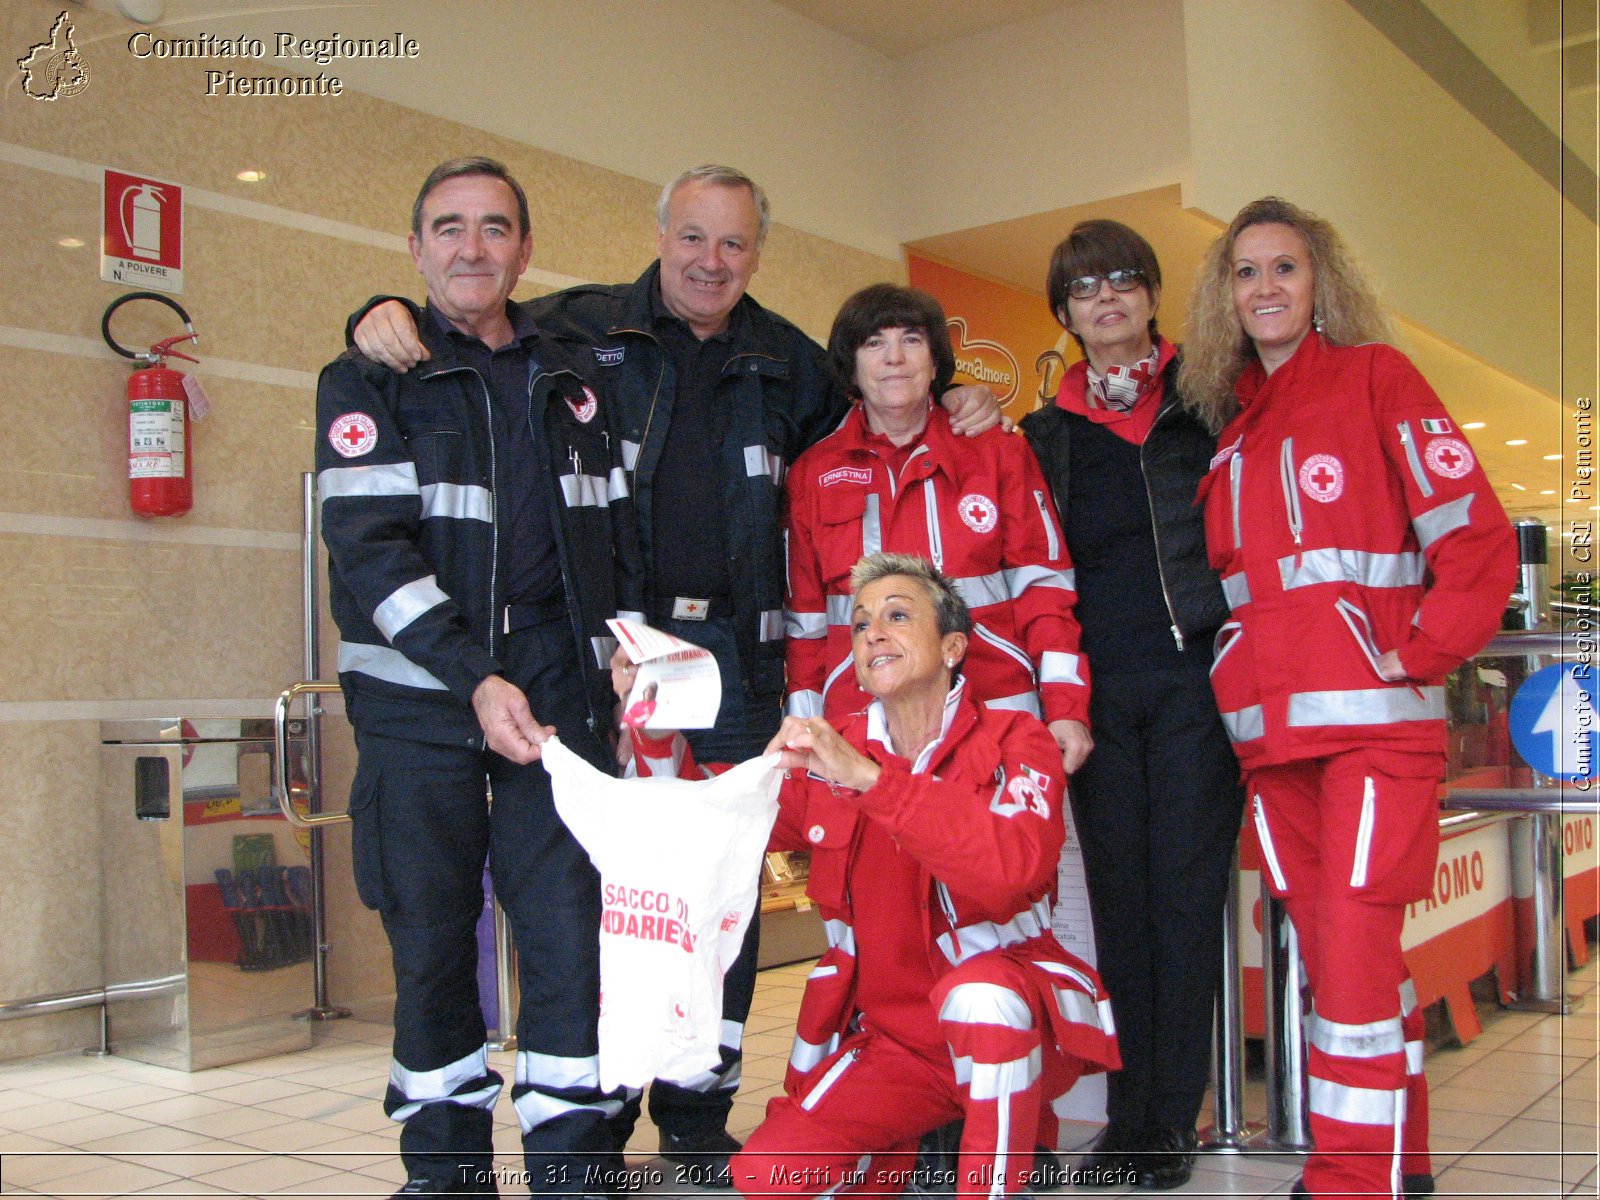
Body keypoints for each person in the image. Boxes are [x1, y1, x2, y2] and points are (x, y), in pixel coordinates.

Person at [349, 166, 1001, 1182]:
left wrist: (955, 394)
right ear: (662, 236)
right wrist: (376, 313)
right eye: (692, 238)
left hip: (739, 663)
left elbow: (884, 406)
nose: (711, 261)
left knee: (723, 892)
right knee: (609, 902)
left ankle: (697, 1111)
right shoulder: (581, 333)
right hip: (618, 664)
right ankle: (595, 1115)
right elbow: (468, 314)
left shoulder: (788, 360)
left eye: (734, 244)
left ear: (757, 252)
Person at [1179, 197, 1517, 1200]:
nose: (1266, 287)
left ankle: (1347, 1180)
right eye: (1246, 272)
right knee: (1337, 965)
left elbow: (1474, 535)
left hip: (1374, 731)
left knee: (1358, 958)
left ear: (1319, 282)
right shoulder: (1235, 427)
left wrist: (1419, 652)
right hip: (1271, 740)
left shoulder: (1378, 378)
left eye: (1284, 267)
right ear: (1227, 298)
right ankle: (1398, 1162)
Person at [316, 156, 642, 1198]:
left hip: (559, 701)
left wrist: (629, 642)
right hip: (421, 708)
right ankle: (447, 1174)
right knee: (430, 941)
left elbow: (617, 535)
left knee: (565, 939)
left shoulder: (577, 380)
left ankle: (571, 1168)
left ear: (525, 250)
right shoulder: (368, 377)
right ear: (414, 251)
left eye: (494, 228)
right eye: (447, 228)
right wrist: (470, 677)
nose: (471, 248)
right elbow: (370, 556)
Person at [620, 553, 1120, 1199]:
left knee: (983, 998)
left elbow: (1009, 872)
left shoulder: (1015, 739)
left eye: (897, 616)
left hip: (1017, 1022)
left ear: (952, 647)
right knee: (765, 1178)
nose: (872, 632)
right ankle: (904, 1156)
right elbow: (713, 819)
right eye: (859, 625)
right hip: (896, 1047)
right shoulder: (834, 749)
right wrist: (655, 727)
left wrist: (871, 782)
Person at [1018, 221, 1243, 1190]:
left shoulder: (1209, 404)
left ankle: (1171, 1118)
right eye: (1081, 289)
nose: (1104, 298)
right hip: (1097, 697)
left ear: (1151, 294)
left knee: (1186, 904)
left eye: (1121, 280)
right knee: (1118, 908)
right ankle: (1126, 1121)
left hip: (1197, 685)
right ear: (1064, 315)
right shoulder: (1045, 435)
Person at [785, 284, 1093, 775]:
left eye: (911, 340)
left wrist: (1065, 707)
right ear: (851, 365)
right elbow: (806, 624)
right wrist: (802, 732)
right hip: (862, 723)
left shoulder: (999, 452)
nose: (894, 359)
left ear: (935, 361)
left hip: (995, 710)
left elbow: (1046, 590)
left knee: (999, 853)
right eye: (873, 343)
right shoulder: (812, 474)